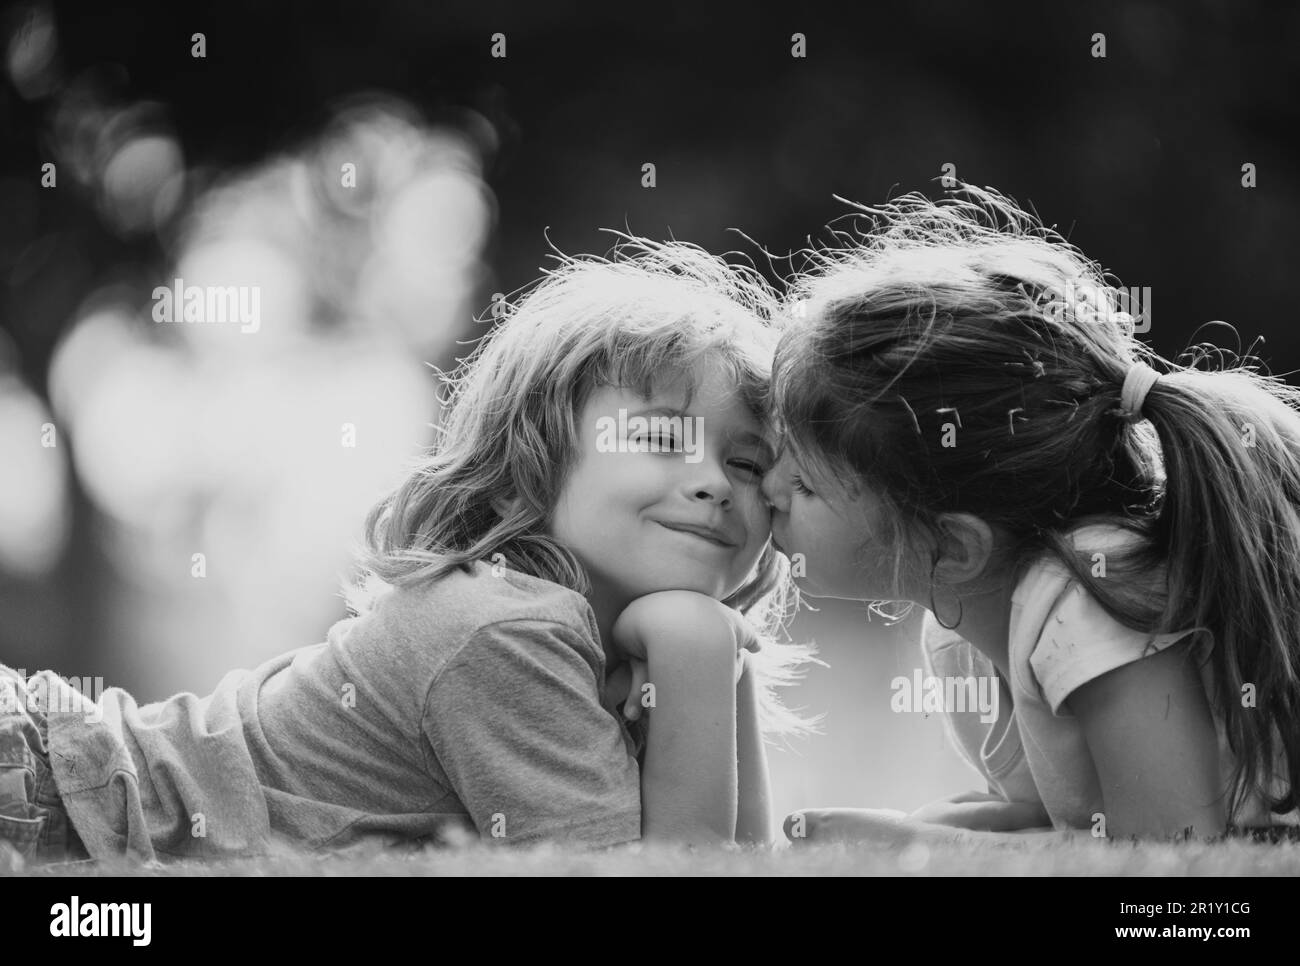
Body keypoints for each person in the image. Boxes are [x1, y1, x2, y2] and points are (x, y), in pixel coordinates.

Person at [0, 237, 812, 866]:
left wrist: (719, 667)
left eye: (745, 463)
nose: (712, 483)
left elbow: (745, 866)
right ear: (528, 468)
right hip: (51, 795)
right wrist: (699, 645)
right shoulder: (502, 630)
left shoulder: (609, 650)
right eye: (660, 438)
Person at [765, 186, 1300, 844]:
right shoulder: (962, 629)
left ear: (954, 546)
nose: (767, 489)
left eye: (805, 485)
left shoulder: (1088, 602)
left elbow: (1173, 867)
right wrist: (940, 833)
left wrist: (922, 849)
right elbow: (1076, 828)